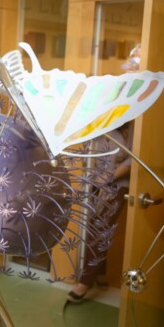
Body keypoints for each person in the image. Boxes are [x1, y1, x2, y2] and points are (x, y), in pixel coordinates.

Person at [68, 122, 132, 302]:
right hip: (94, 183)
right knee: (92, 229)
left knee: (100, 228)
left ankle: (84, 282)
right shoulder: (99, 121)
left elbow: (132, 158)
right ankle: (100, 274)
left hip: (118, 183)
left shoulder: (131, 126)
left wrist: (109, 179)